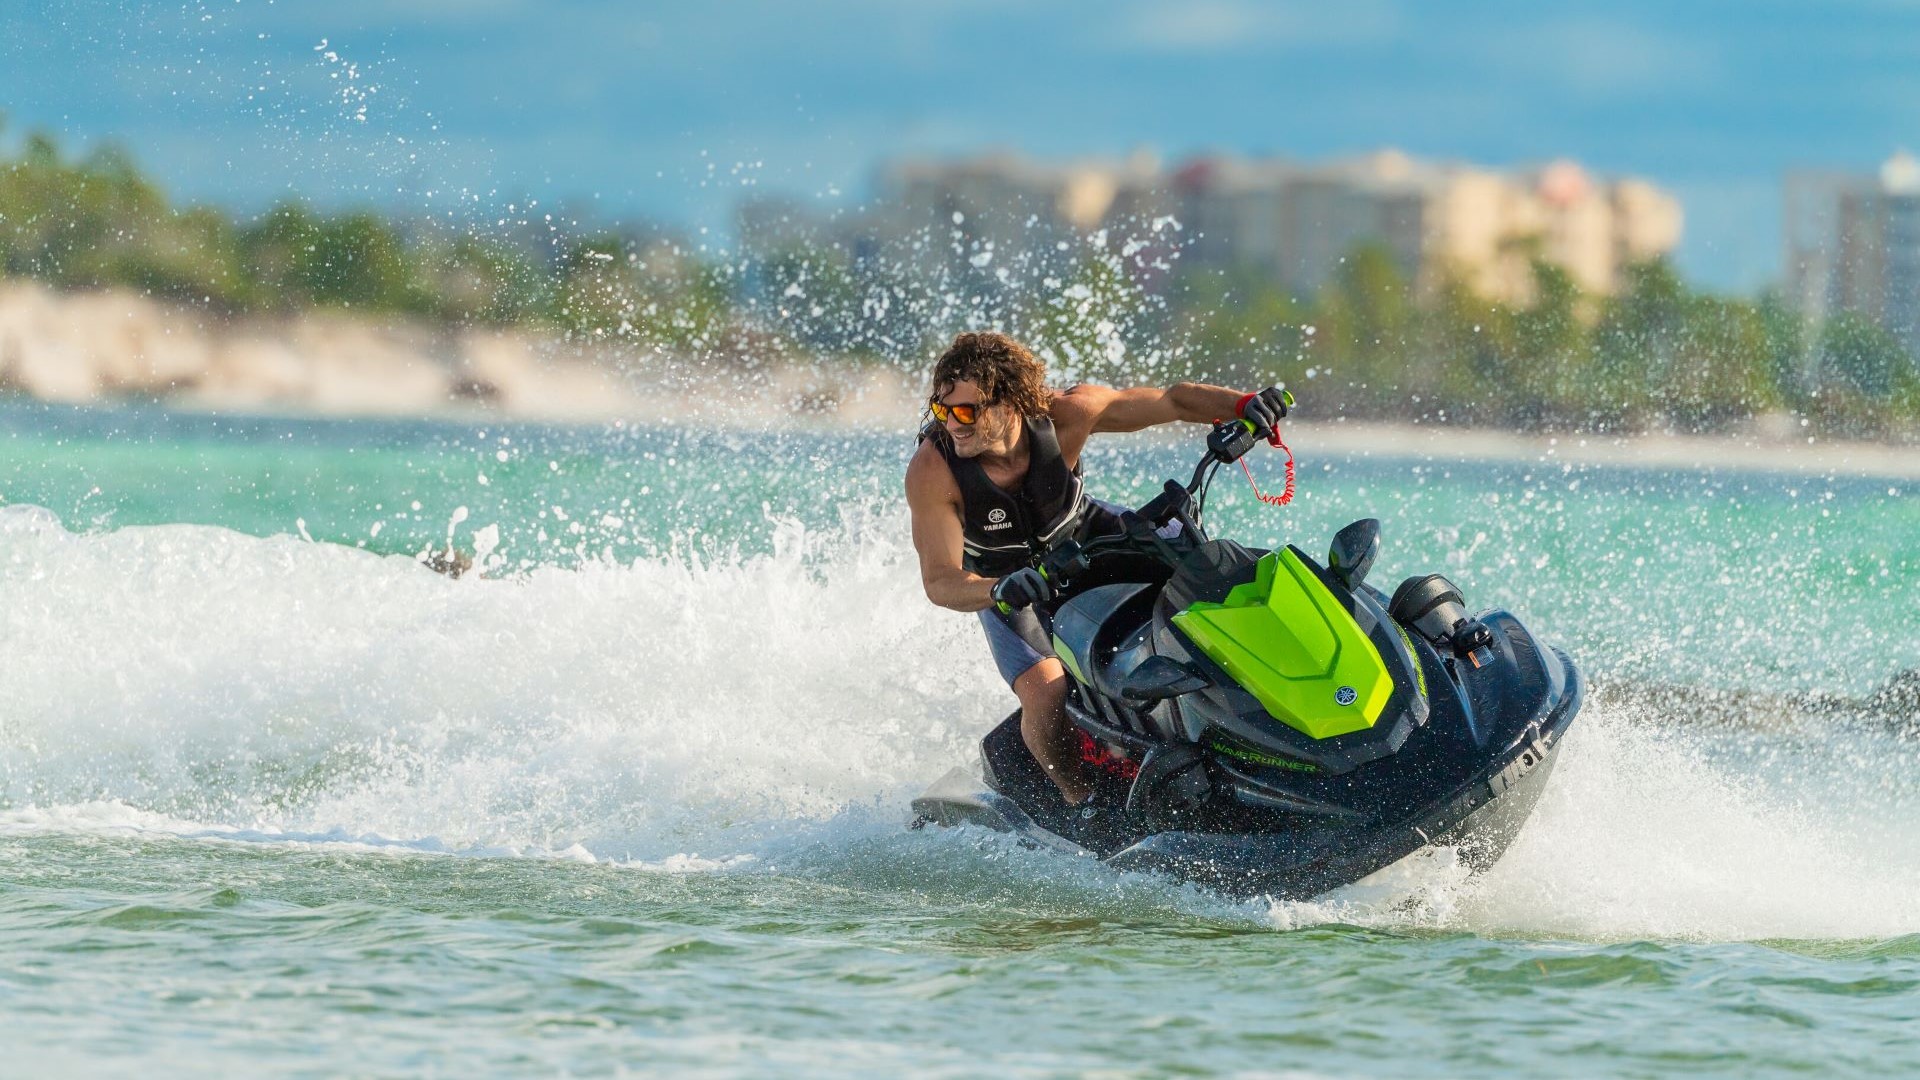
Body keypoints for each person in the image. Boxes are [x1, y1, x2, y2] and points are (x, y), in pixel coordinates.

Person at [905, 331, 1290, 809]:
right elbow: (940, 580)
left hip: (1087, 537)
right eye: (943, 411)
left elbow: (1171, 401)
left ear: (1010, 403)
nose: (952, 424)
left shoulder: (1068, 413)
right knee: (1045, 693)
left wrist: (1244, 404)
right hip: (1008, 584)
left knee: (1214, 576)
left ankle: (1272, 721)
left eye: (966, 411)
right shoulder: (933, 470)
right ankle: (1077, 795)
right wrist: (1000, 587)